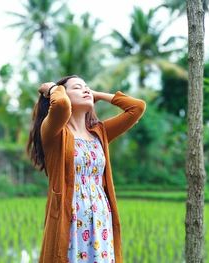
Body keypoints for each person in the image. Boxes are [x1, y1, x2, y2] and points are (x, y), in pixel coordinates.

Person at [26, 75, 146, 263]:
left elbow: (136, 108)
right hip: (71, 221)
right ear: (63, 94)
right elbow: (61, 106)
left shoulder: (100, 133)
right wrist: (51, 89)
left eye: (87, 87)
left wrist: (97, 94)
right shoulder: (54, 133)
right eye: (77, 87)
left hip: (100, 220)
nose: (85, 90)